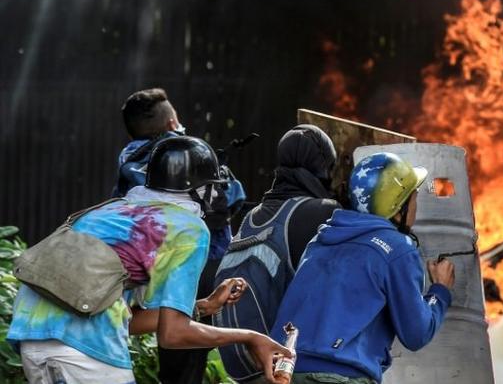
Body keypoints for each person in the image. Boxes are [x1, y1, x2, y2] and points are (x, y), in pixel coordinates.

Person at [8, 136, 290, 384]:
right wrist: (250, 337)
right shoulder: (188, 228)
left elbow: (124, 319)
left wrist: (202, 307)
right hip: (85, 348)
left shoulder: (113, 210)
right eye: (213, 187)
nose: (217, 195)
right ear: (200, 190)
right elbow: (173, 336)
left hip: (32, 336)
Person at [271, 152, 456, 384]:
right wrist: (440, 291)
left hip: (283, 371)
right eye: (414, 197)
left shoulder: (321, 239)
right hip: (338, 375)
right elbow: (416, 333)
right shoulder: (397, 248)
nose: (416, 205)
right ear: (399, 206)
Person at [113, 88, 246, 383]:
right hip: (199, 262)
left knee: (171, 355)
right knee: (188, 352)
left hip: (150, 271)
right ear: (172, 122)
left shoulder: (128, 160)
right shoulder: (186, 152)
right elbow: (234, 196)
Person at [214, 124, 342, 382]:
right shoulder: (323, 212)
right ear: (324, 165)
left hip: (244, 366)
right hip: (288, 367)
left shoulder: (254, 216)